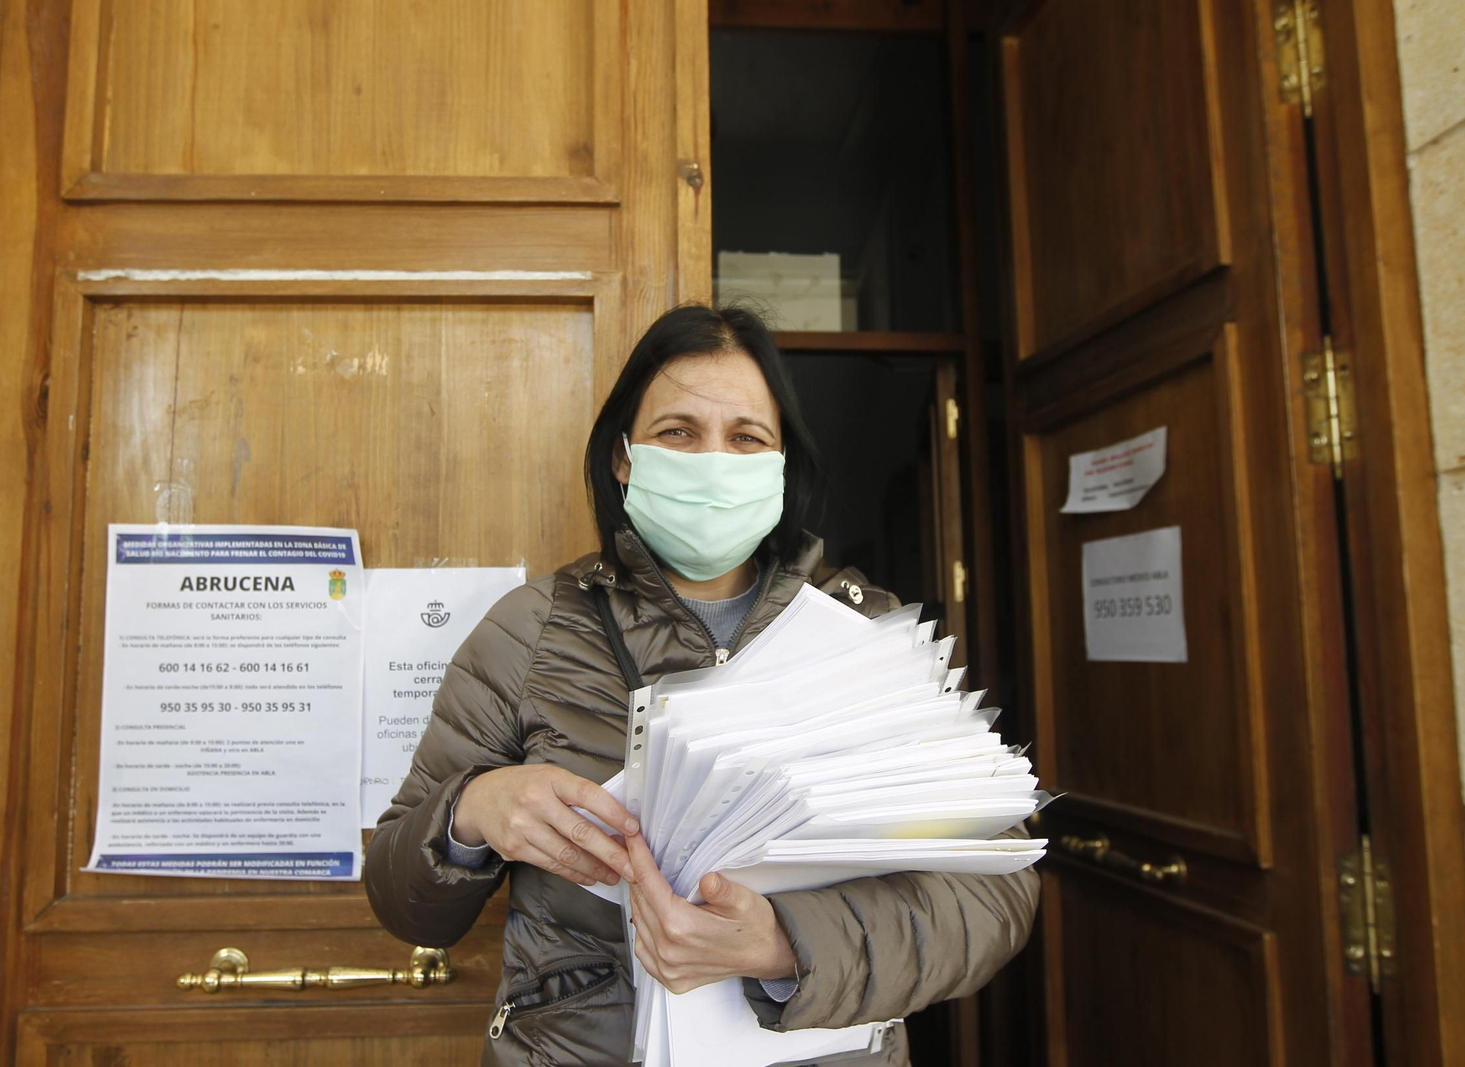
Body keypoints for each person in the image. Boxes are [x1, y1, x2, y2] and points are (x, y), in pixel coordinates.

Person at [365, 304, 1038, 1066]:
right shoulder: (529, 632)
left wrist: (788, 944)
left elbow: (997, 892)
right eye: (678, 432)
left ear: (781, 466)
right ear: (623, 457)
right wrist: (472, 810)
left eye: (746, 437)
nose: (713, 460)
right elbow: (402, 901)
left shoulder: (866, 635)